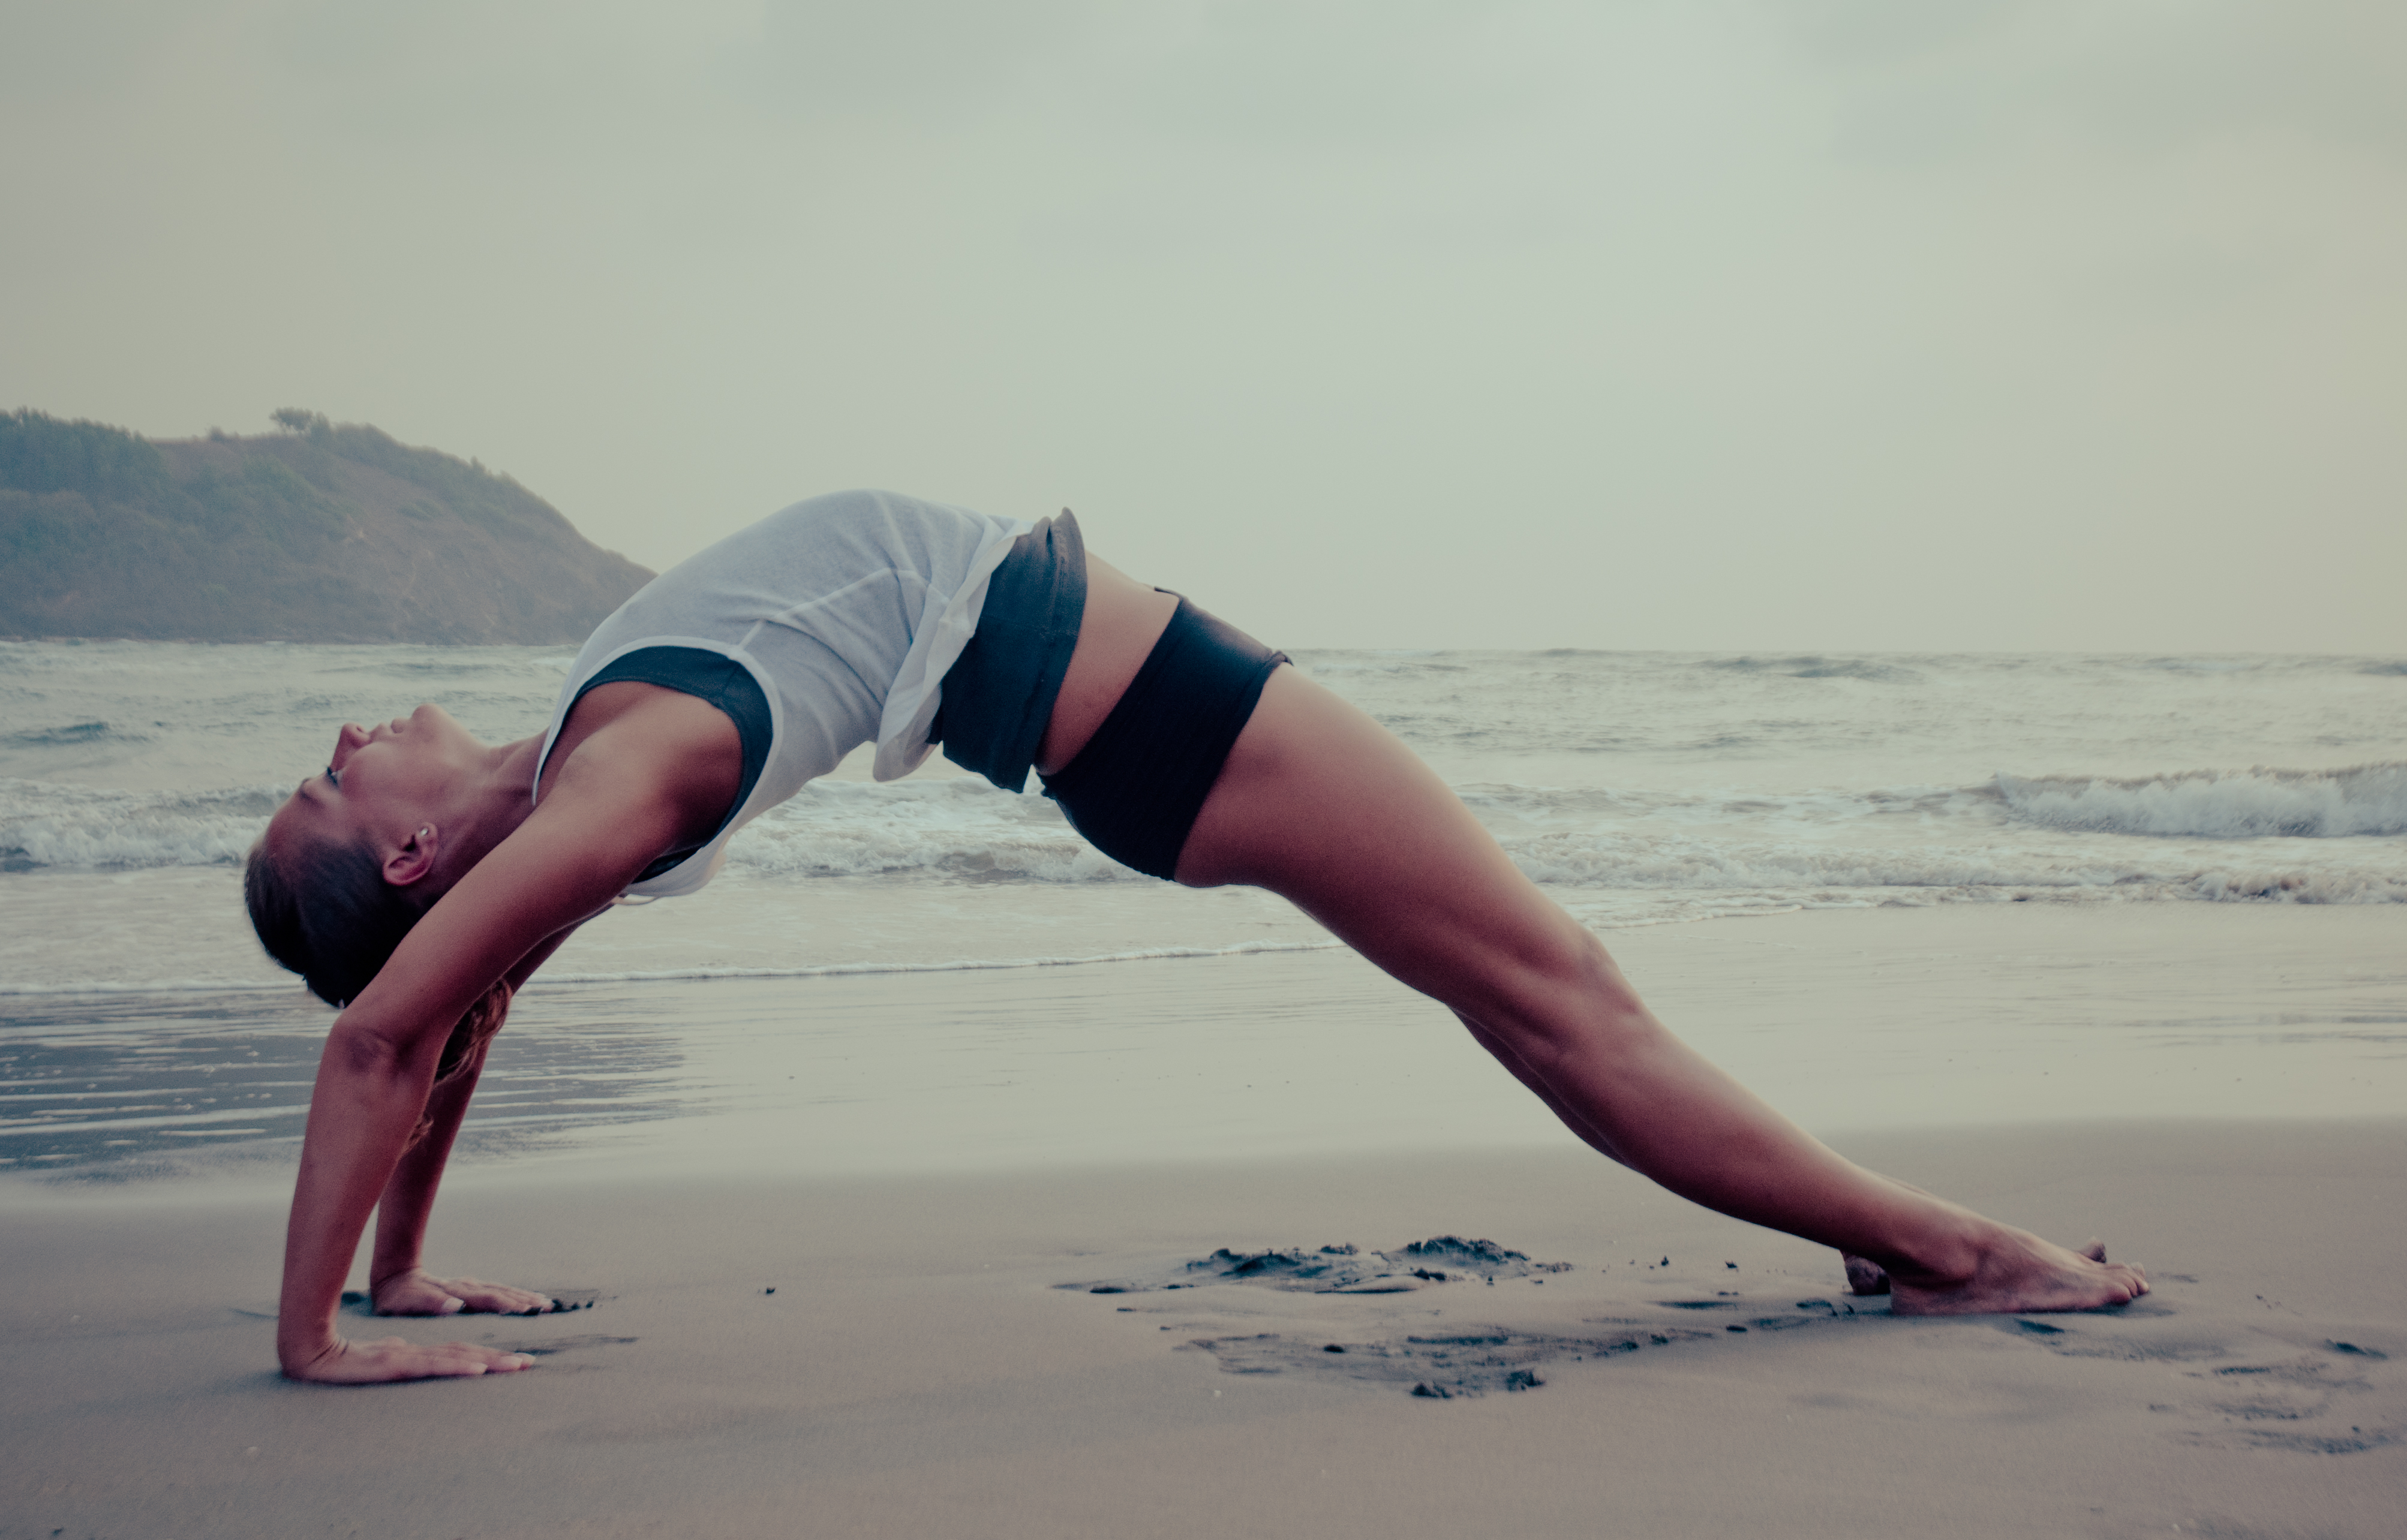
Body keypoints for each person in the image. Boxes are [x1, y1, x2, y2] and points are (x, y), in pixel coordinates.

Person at [245, 490, 2147, 1386]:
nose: (338, 742)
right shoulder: (626, 775)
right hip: (1166, 714)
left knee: (1542, 1003)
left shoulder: (577, 762)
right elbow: (387, 1038)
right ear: (409, 849)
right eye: (324, 791)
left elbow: (463, 1009)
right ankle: (1950, 1250)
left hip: (1143, 725)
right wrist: (316, 1332)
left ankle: (1909, 1241)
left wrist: (409, 1266)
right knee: (1565, 996)